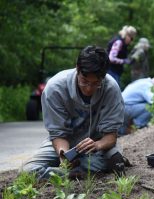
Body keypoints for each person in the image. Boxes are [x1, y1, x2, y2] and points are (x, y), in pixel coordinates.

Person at [21, 45, 127, 179]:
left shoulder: (111, 88)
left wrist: (97, 145)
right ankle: (77, 172)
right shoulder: (55, 89)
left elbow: (111, 136)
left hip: (96, 144)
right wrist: (64, 155)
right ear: (77, 68)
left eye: (96, 83)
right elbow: (58, 134)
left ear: (104, 76)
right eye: (84, 81)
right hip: (64, 143)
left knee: (112, 156)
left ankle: (78, 170)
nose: (89, 89)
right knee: (28, 170)